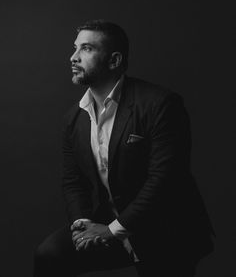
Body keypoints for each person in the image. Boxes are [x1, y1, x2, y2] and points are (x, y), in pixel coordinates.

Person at [34, 20, 215, 277]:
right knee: (49, 255)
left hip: (165, 229)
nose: (73, 57)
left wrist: (112, 229)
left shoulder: (160, 105)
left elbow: (164, 180)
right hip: (107, 223)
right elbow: (73, 181)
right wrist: (82, 224)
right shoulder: (73, 119)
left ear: (114, 60)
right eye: (75, 48)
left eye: (86, 49)